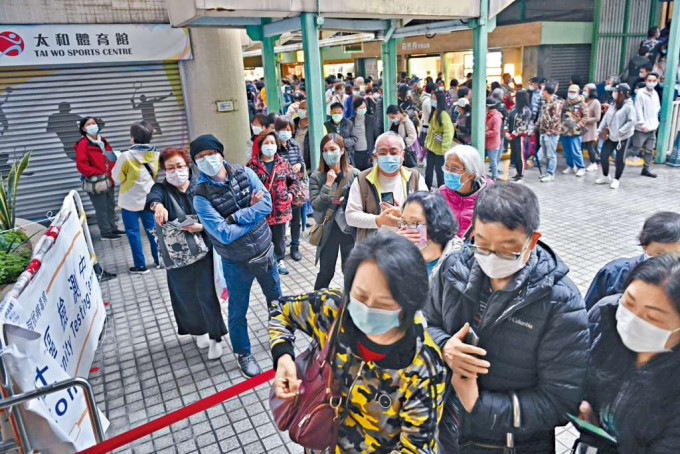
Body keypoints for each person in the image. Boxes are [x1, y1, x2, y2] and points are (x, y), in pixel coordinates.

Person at [424, 183, 589, 452]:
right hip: (449, 434)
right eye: (483, 244)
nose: (491, 258)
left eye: (506, 249)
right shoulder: (453, 269)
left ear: (531, 241)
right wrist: (444, 346)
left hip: (511, 445)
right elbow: (425, 324)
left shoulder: (560, 302)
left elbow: (561, 400)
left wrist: (479, 405)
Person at [270, 232, 447, 453]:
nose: (368, 309)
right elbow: (280, 310)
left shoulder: (422, 364)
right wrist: (284, 358)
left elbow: (416, 448)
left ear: (408, 305)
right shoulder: (333, 310)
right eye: (360, 296)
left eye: (383, 302)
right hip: (318, 441)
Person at [191, 134, 281, 377]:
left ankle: (283, 339)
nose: (207, 160)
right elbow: (223, 234)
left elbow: (267, 205)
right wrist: (250, 212)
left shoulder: (244, 172)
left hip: (264, 252)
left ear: (221, 154)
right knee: (238, 311)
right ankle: (243, 354)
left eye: (210, 154)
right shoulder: (200, 195)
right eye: (200, 157)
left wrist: (235, 216)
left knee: (277, 301)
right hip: (235, 261)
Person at [581, 255, 680, 452]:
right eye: (629, 302)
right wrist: (589, 418)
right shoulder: (606, 329)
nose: (633, 320)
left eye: (652, 317)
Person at [146, 148, 228, 360]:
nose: (176, 172)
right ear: (164, 170)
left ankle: (215, 337)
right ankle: (198, 330)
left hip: (204, 250)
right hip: (176, 255)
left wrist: (200, 227)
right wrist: (157, 206)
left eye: (180, 166)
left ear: (188, 167)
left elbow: (217, 216)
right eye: (170, 168)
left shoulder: (201, 186)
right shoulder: (162, 189)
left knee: (205, 294)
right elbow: (152, 197)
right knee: (184, 296)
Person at [584, 211, 680, 310]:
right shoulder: (614, 273)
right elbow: (587, 313)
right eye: (660, 253)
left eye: (676, 255)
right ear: (644, 245)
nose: (668, 261)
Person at [346, 132, 428, 242]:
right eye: (383, 153)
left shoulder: (415, 178)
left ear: (402, 156)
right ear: (376, 156)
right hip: (372, 249)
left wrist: (404, 214)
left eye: (393, 152)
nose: (388, 156)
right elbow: (351, 216)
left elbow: (427, 211)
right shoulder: (362, 180)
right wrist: (379, 220)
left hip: (407, 246)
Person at [309, 134, 359, 289]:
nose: (329, 153)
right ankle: (315, 305)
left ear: (342, 150)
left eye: (333, 149)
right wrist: (328, 184)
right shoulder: (317, 176)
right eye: (325, 150)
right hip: (328, 230)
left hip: (348, 230)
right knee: (326, 272)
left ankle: (350, 306)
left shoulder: (355, 174)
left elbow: (361, 203)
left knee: (350, 271)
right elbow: (316, 205)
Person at [247, 131, 301, 275]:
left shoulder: (284, 163)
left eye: (272, 143)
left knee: (279, 237)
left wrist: (290, 194)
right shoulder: (252, 165)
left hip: (280, 209)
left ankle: (279, 260)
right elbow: (246, 187)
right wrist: (251, 200)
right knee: (262, 237)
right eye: (266, 143)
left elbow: (295, 180)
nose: (269, 146)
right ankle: (265, 262)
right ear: (260, 145)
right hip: (261, 210)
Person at [111, 121, 160, 274]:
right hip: (149, 198)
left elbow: (117, 178)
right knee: (153, 231)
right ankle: (159, 260)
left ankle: (140, 266)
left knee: (133, 233)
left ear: (132, 138)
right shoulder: (156, 154)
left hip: (129, 201)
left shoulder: (125, 156)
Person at [74, 117, 124, 240]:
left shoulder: (103, 140)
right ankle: (105, 232)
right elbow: (82, 165)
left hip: (109, 179)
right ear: (83, 128)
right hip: (97, 181)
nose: (92, 126)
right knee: (101, 208)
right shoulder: (83, 144)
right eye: (88, 124)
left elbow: (110, 157)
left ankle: (113, 227)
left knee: (111, 205)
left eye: (94, 123)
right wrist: (97, 172)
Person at [397, 191, 460, 279]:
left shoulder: (456, 265)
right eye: (403, 222)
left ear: (436, 223)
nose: (405, 229)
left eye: (414, 222)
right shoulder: (400, 258)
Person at [439, 145, 493, 239]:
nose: (448, 172)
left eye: (455, 168)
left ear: (471, 174)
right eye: (446, 167)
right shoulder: (441, 194)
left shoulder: (490, 197)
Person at [274, 117, 306, 262]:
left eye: (288, 130)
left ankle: (295, 247)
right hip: (280, 191)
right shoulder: (273, 147)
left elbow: (301, 161)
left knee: (296, 220)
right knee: (280, 223)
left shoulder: (294, 145)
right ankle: (279, 251)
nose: (285, 132)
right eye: (282, 129)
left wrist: (300, 165)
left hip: (295, 189)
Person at [596, 83, 636, 190]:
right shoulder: (613, 104)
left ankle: (616, 179)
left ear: (621, 93)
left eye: (616, 92)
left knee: (619, 159)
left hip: (622, 137)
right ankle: (605, 176)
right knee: (603, 155)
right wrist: (599, 130)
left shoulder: (629, 106)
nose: (613, 93)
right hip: (610, 135)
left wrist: (621, 131)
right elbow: (606, 118)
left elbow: (631, 122)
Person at [631, 72, 661, 178]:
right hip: (642, 128)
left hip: (652, 127)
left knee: (649, 149)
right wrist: (642, 124)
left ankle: (646, 168)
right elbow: (638, 110)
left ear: (657, 81)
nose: (651, 83)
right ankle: (619, 161)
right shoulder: (640, 94)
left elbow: (657, 109)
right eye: (649, 80)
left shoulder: (655, 94)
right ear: (646, 81)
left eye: (654, 81)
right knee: (636, 148)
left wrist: (656, 124)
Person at [424, 90, 454, 188]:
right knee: (429, 169)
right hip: (431, 147)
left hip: (440, 150)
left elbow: (448, 132)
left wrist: (444, 148)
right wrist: (426, 142)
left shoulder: (443, 115)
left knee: (439, 171)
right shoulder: (434, 112)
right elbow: (430, 130)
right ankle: (426, 188)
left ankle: (442, 191)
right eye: (431, 98)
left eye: (434, 99)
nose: (432, 101)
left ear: (439, 100)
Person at [559, 84, 589, 177]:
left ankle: (581, 167)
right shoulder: (564, 103)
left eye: (573, 92)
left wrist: (579, 125)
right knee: (566, 151)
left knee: (576, 150)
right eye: (570, 92)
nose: (571, 94)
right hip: (564, 130)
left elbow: (586, 116)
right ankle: (570, 165)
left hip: (575, 131)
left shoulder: (581, 103)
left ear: (577, 92)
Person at [504, 90, 533, 182]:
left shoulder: (526, 110)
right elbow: (507, 119)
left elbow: (523, 126)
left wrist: (512, 134)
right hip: (512, 135)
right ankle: (518, 173)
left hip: (520, 136)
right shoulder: (513, 108)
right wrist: (506, 131)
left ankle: (521, 174)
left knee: (520, 156)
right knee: (515, 155)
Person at [537, 83, 563, 182]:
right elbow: (541, 118)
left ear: (547, 92)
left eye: (543, 90)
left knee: (551, 154)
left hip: (551, 134)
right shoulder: (545, 104)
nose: (541, 93)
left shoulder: (556, 104)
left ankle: (551, 173)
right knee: (546, 153)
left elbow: (555, 119)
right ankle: (547, 172)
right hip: (543, 132)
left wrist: (549, 131)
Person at [350, 97, 380, 172]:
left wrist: (375, 151)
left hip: (368, 153)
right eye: (360, 108)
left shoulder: (371, 120)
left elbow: (377, 136)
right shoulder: (350, 121)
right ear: (355, 109)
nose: (363, 109)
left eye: (364, 107)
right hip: (355, 154)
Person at [582, 83, 602, 172]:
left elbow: (597, 118)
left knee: (589, 145)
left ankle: (593, 163)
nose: (583, 92)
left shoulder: (596, 102)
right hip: (581, 127)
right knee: (580, 145)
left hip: (590, 128)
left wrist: (585, 120)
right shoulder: (583, 100)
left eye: (585, 90)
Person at [484, 97, 503, 180]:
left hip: (493, 143)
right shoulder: (486, 114)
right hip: (486, 142)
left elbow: (495, 131)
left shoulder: (496, 117)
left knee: (493, 162)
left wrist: (484, 133)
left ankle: (494, 177)